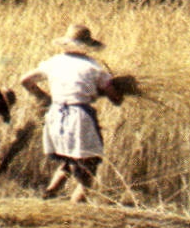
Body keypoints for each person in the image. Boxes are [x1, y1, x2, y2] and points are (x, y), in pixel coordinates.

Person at [20, 23, 124, 202]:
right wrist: (117, 89)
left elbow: (25, 80)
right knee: (89, 167)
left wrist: (43, 97)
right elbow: (116, 98)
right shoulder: (94, 67)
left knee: (69, 160)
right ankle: (76, 209)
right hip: (80, 118)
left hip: (55, 114)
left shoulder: (53, 62)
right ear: (88, 46)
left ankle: (48, 195)